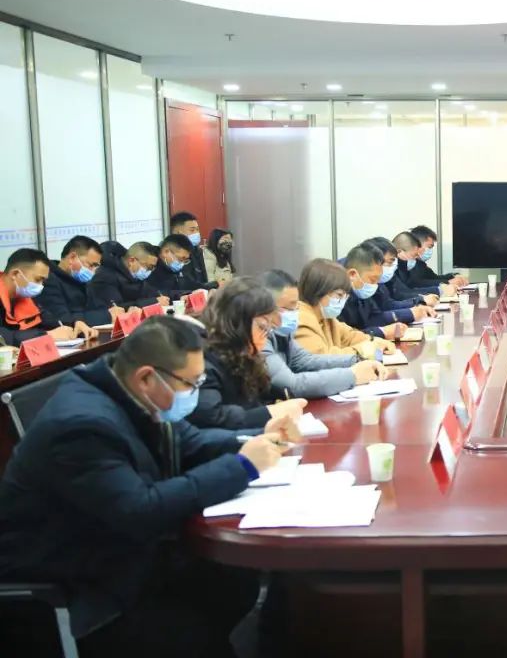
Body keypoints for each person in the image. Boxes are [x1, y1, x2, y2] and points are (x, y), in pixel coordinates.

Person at [0, 317, 300, 658]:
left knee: (236, 582)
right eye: (191, 383)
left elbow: (191, 441)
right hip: (77, 591)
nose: (195, 391)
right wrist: (243, 466)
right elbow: (140, 511)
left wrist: (257, 440)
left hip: (121, 558)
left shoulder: (129, 393)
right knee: (195, 627)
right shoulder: (81, 427)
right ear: (146, 377)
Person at [187, 276, 310, 431]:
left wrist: (280, 398)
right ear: (236, 321)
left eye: (268, 331)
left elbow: (256, 397)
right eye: (262, 327)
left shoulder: (240, 351)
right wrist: (269, 413)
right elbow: (212, 418)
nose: (264, 338)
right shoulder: (201, 357)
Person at [259, 269, 387, 398]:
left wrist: (358, 360)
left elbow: (306, 360)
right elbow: (293, 385)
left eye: (296, 307)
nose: (295, 313)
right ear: (264, 308)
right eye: (288, 308)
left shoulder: (282, 332)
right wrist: (352, 376)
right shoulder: (258, 338)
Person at [294, 258, 394, 358]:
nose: (342, 302)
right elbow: (323, 359)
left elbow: (350, 336)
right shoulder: (301, 320)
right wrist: (362, 350)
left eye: (345, 296)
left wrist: (375, 341)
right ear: (318, 291)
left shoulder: (326, 318)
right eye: (339, 295)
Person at [1, 248, 96, 346]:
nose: (41, 286)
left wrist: (75, 324)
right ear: (15, 274)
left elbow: (50, 320)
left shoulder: (25, 297)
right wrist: (47, 335)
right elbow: (4, 337)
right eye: (38, 279)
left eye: (43, 281)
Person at [339, 241, 422, 341]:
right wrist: (382, 332)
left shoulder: (361, 286)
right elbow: (342, 338)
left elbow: (373, 317)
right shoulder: (336, 296)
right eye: (373, 280)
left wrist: (392, 325)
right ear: (352, 274)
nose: (375, 286)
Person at [38, 235, 117, 328]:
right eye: (91, 265)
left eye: (96, 266)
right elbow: (63, 319)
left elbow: (98, 307)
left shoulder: (82, 280)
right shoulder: (48, 281)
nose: (93, 271)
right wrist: (107, 315)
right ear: (72, 257)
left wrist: (112, 311)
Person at [89, 241, 172, 311]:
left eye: (153, 268)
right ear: (132, 260)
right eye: (149, 267)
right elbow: (116, 308)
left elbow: (154, 293)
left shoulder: (135, 276)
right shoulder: (106, 277)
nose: (150, 271)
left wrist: (176, 295)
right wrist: (153, 302)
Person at [147, 234, 204, 301]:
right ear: (166, 251)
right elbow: (157, 293)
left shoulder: (174, 268)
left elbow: (190, 284)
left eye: (186, 260)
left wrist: (210, 287)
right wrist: (186, 294)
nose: (182, 263)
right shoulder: (149, 268)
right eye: (181, 259)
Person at [169, 212, 217, 289]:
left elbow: (203, 278)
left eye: (197, 229)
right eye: (192, 230)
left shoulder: (197, 251)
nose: (197, 233)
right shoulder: (168, 254)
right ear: (177, 232)